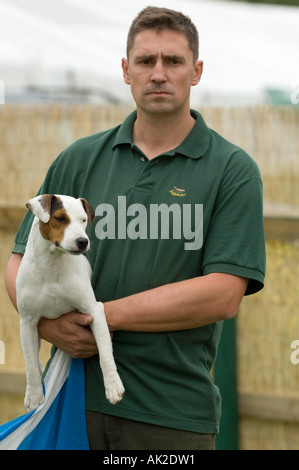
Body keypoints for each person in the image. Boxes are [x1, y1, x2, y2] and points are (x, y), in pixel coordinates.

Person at [5, 6, 265, 450]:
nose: (159, 73)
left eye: (174, 61)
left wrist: (99, 317)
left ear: (196, 71)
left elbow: (223, 294)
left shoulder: (232, 170)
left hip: (171, 414)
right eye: (146, 61)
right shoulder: (79, 159)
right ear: (126, 71)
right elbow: (17, 262)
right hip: (71, 397)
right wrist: (46, 324)